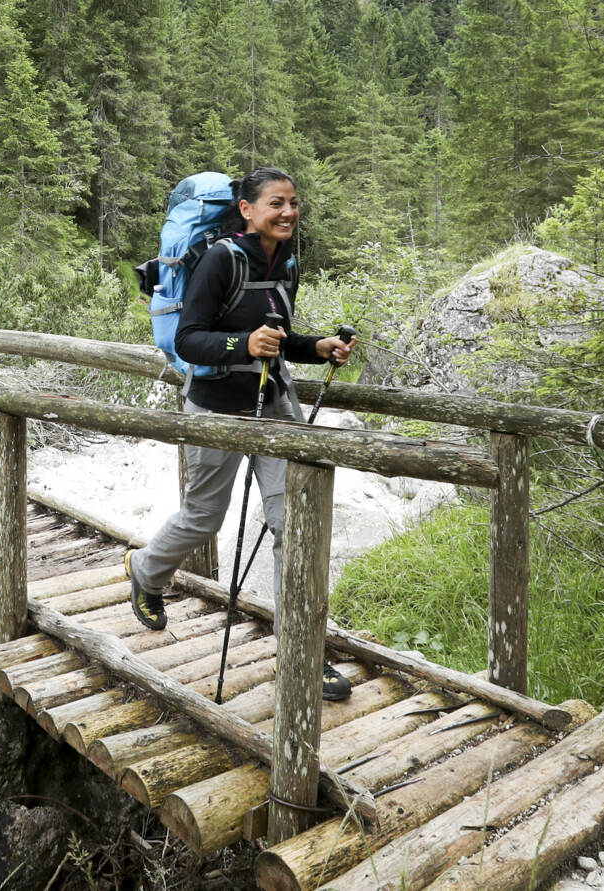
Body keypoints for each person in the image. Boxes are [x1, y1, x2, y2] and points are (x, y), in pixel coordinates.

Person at [124, 167, 358, 700]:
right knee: (204, 517)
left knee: (291, 523)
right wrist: (241, 346)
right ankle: (146, 569)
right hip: (214, 409)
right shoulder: (220, 259)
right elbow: (189, 340)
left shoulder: (287, 262)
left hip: (273, 405)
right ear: (247, 210)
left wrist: (316, 346)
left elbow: (278, 337)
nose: (288, 213)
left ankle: (301, 647)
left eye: (294, 203)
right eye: (276, 203)